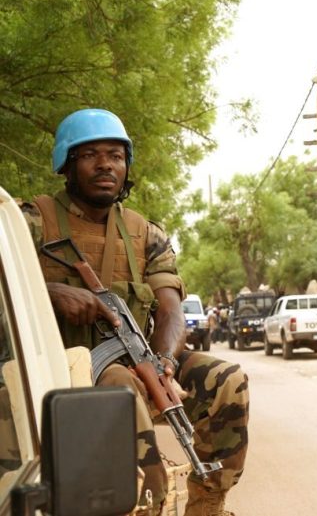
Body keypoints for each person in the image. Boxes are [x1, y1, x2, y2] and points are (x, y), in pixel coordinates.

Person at [20, 108, 248, 516]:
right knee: (120, 385)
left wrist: (162, 362)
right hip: (53, 371)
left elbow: (170, 309)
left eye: (116, 155)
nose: (106, 163)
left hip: (136, 361)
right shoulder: (32, 220)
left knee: (227, 380)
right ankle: (146, 504)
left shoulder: (146, 233)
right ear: (67, 166)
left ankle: (207, 503)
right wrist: (49, 292)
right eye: (90, 154)